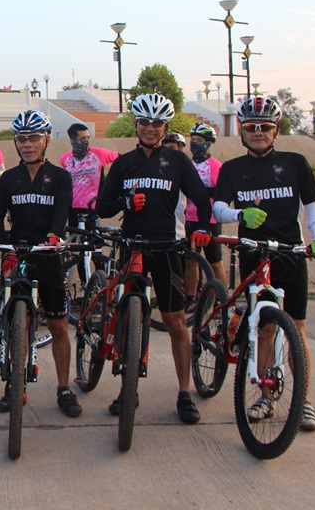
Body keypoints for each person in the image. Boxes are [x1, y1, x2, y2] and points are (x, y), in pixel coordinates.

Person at [213, 96, 315, 432]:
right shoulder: (232, 169)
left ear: (276, 129)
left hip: (290, 253)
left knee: (298, 328)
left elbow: (312, 207)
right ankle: (265, 397)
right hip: (254, 254)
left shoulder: (295, 163)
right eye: (251, 127)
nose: (258, 132)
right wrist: (240, 215)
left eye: (265, 126)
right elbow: (218, 209)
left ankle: (303, 401)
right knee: (264, 328)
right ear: (242, 131)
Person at [95, 93, 212, 424]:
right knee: (126, 318)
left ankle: (184, 393)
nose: (150, 128)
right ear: (136, 124)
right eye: (145, 122)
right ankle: (127, 388)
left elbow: (201, 199)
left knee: (175, 322)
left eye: (157, 123)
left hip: (166, 248)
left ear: (165, 127)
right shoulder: (123, 163)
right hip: (132, 247)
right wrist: (125, 202)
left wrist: (203, 227)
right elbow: (102, 207)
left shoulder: (177, 161)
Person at [0, 110, 81, 417]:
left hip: (48, 254)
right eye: (21, 139)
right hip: (19, 255)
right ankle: (15, 384)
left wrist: (55, 235)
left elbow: (62, 212)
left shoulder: (60, 177)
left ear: (46, 140)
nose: (27, 144)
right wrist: (4, 244)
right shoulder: (8, 179)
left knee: (57, 324)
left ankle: (64, 388)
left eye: (33, 138)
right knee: (18, 324)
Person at [183, 124, 227, 292]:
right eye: (193, 140)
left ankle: (221, 297)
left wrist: (200, 191)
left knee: (214, 261)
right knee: (191, 260)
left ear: (208, 143)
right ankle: (191, 297)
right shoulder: (187, 165)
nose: (195, 143)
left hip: (210, 219)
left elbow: (222, 192)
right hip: (189, 218)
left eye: (199, 140)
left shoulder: (214, 165)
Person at [60, 122, 118, 229]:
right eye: (82, 138)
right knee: (75, 238)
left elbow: (122, 160)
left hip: (92, 208)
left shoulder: (100, 154)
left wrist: (112, 183)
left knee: (94, 238)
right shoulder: (65, 159)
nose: (86, 141)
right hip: (72, 209)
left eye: (88, 137)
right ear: (72, 140)